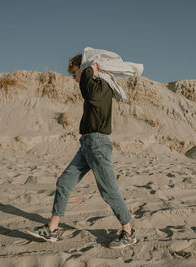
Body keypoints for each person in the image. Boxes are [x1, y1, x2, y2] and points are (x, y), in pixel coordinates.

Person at [27, 53, 136, 249]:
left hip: (98, 144)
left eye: (74, 72)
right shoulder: (94, 85)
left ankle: (128, 232)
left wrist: (87, 70)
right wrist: (86, 72)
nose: (73, 76)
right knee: (64, 182)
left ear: (86, 68)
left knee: (108, 190)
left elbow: (89, 94)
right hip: (87, 144)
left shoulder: (101, 87)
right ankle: (52, 229)